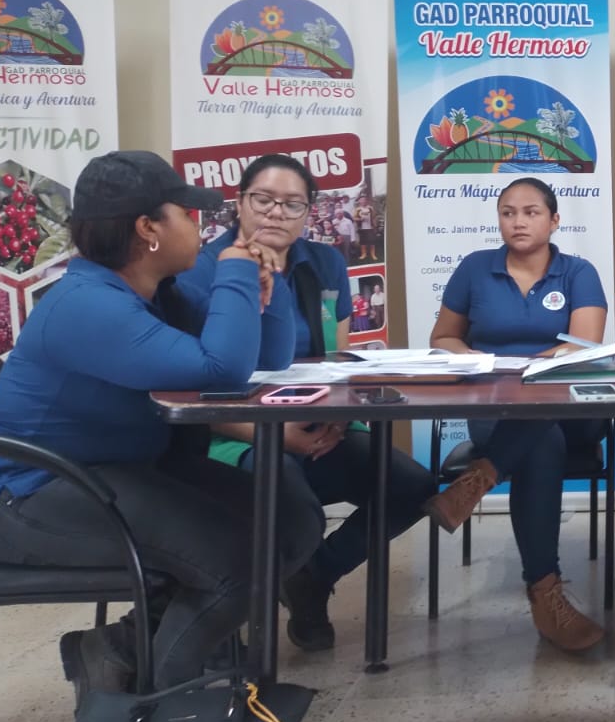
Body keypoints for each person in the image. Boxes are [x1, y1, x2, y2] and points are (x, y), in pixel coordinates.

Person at [0, 150, 322, 696]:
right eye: (185, 213)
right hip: (30, 497)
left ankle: (117, 651)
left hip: (112, 472)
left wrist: (265, 282)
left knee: (292, 517)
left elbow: (268, 359)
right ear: (147, 229)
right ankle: (161, 704)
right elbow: (222, 371)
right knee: (238, 561)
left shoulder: (155, 295)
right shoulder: (86, 305)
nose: (197, 224)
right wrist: (235, 265)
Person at [177, 153, 433, 653]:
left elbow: (336, 361)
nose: (276, 212)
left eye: (292, 204)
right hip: (236, 434)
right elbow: (189, 393)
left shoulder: (325, 263)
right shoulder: (199, 272)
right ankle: (257, 605)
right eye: (264, 200)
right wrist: (275, 434)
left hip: (319, 426)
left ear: (308, 212)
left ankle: (313, 576)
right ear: (239, 203)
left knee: (412, 486)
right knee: (291, 498)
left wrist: (340, 418)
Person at [427, 178, 607, 654]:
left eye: (531, 212)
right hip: (499, 407)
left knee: (544, 422)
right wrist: (469, 357)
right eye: (508, 212)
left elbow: (585, 346)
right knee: (540, 442)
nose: (518, 222)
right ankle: (546, 594)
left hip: (572, 407)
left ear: (554, 220)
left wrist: (531, 366)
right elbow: (442, 337)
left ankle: (478, 478)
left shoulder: (578, 272)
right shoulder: (475, 269)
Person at [354, 195, 377, 263]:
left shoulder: (370, 208)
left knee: (372, 241)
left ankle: (373, 254)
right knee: (363, 242)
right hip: (362, 228)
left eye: (364, 200)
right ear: (359, 201)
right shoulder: (357, 209)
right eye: (362, 200)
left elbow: (374, 216)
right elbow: (354, 218)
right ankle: (364, 254)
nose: (363, 201)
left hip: (370, 227)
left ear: (366, 201)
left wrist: (375, 224)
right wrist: (360, 219)